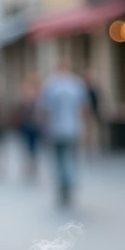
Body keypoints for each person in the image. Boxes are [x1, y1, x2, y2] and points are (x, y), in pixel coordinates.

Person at [38, 60, 90, 206]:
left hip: (56, 129)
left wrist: (44, 128)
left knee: (59, 160)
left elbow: (44, 110)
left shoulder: (50, 84)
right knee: (71, 159)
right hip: (73, 129)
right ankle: (69, 185)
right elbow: (84, 108)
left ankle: (63, 187)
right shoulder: (76, 83)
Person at [14, 73, 42, 181]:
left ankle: (32, 166)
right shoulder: (22, 97)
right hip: (25, 125)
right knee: (25, 147)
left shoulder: (38, 96)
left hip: (34, 125)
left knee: (33, 147)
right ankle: (28, 166)